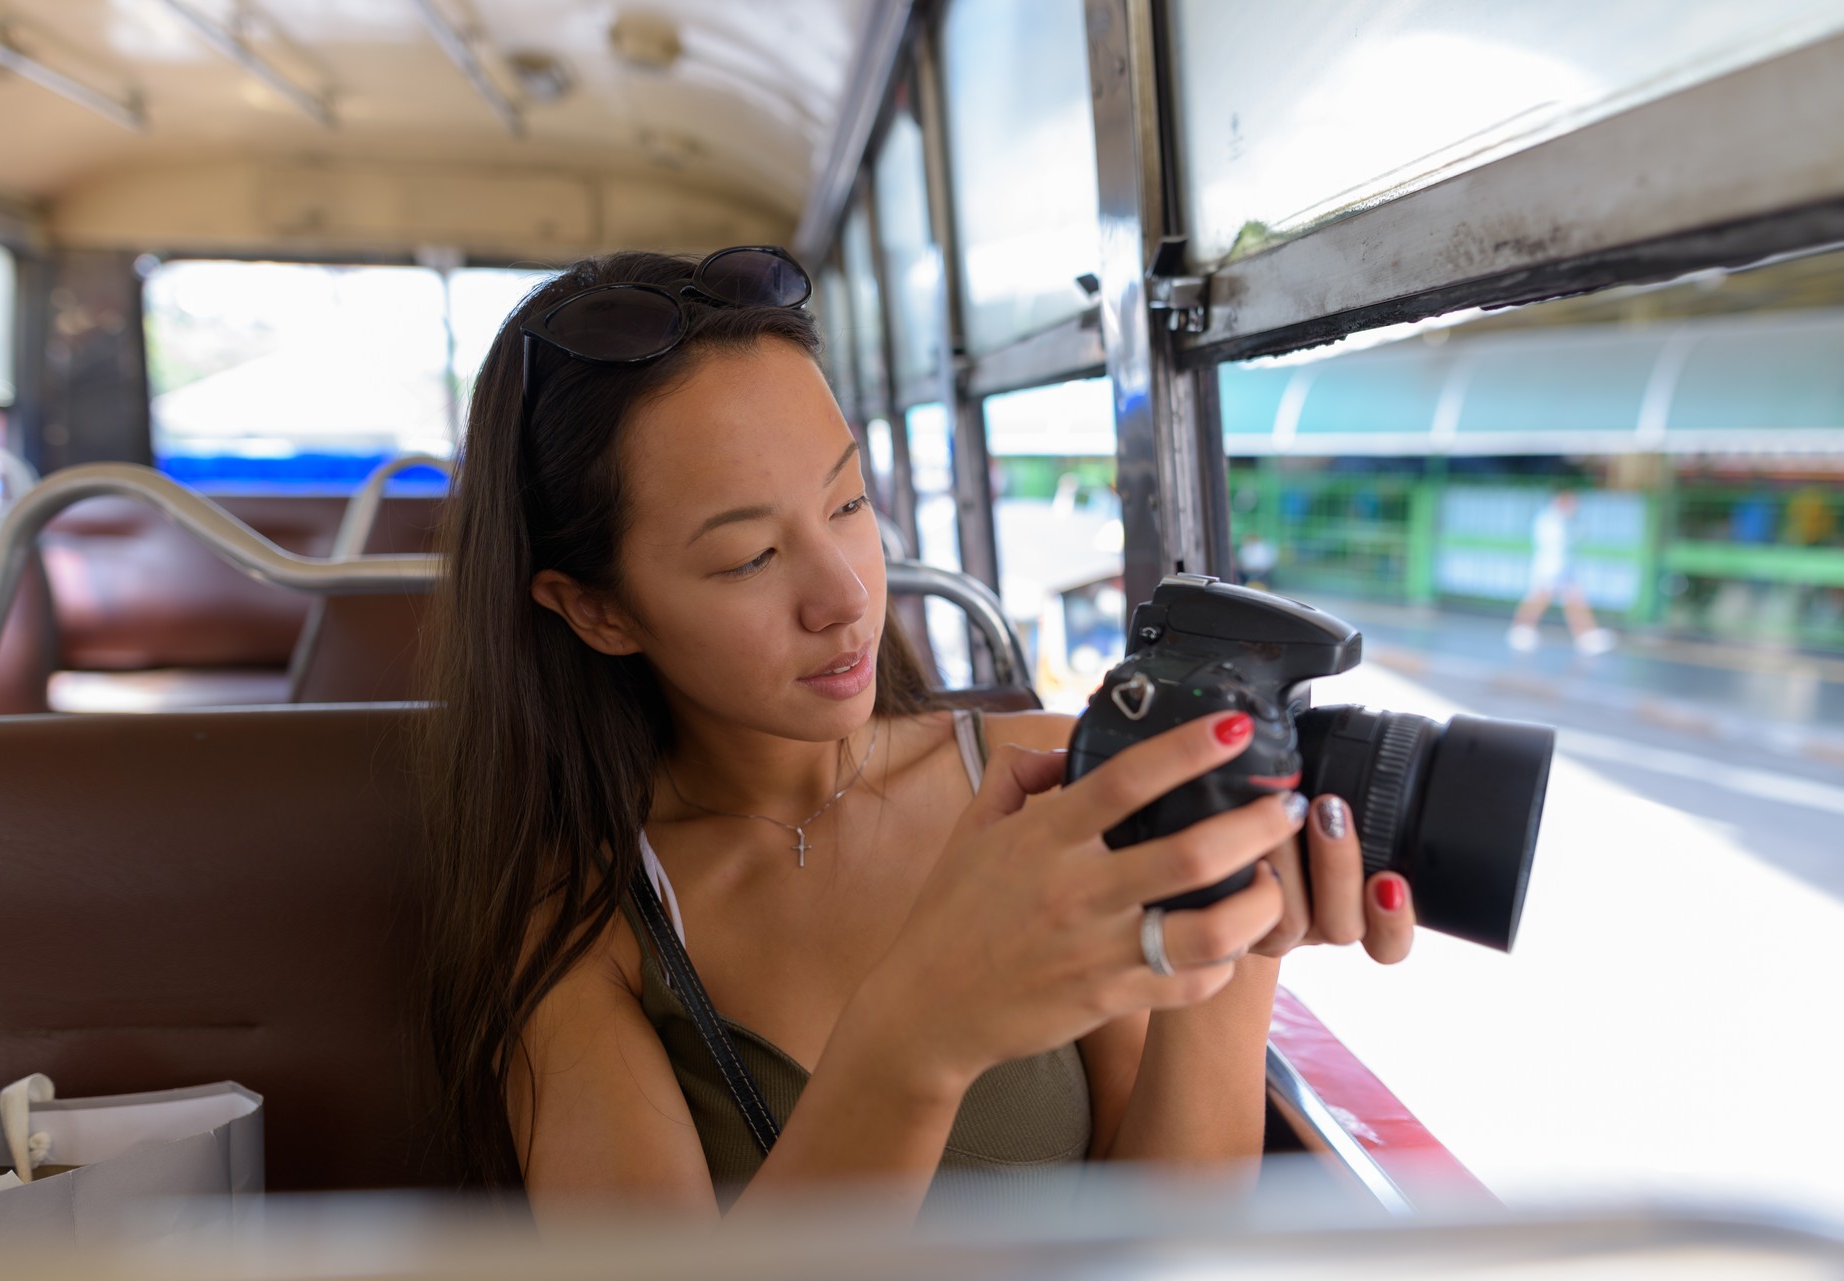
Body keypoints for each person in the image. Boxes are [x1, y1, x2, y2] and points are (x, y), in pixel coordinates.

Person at [417, 249, 1416, 1222]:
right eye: (751, 555)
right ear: (598, 612)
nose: (847, 596)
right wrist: (915, 1039)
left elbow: (1166, 1239)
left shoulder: (1050, 778)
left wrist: (1235, 944)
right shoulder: (581, 914)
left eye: (849, 502)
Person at [1508, 489, 1616, 655]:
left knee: (1572, 601)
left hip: (1559, 568)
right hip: (1550, 568)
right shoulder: (1550, 520)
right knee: (1540, 599)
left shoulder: (1562, 520)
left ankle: (1585, 635)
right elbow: (1554, 545)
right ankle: (1521, 630)